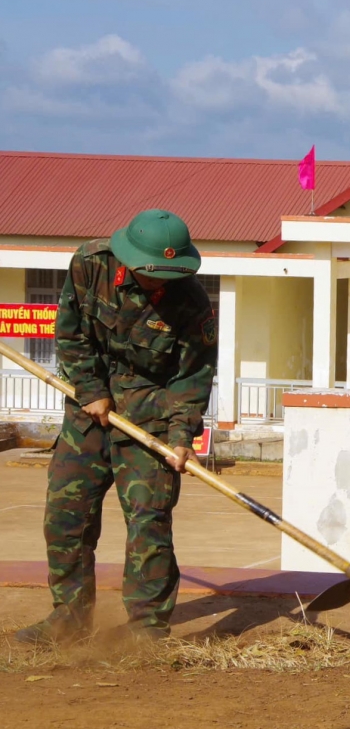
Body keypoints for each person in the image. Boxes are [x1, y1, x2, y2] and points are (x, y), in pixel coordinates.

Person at [15, 209, 217, 645]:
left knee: (149, 520)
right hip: (88, 410)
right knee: (66, 517)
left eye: (169, 274)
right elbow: (71, 334)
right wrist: (90, 388)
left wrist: (181, 438)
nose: (159, 284)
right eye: (151, 275)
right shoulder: (91, 264)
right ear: (129, 260)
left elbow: (192, 376)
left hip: (152, 414)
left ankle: (147, 626)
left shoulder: (192, 304)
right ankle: (68, 618)